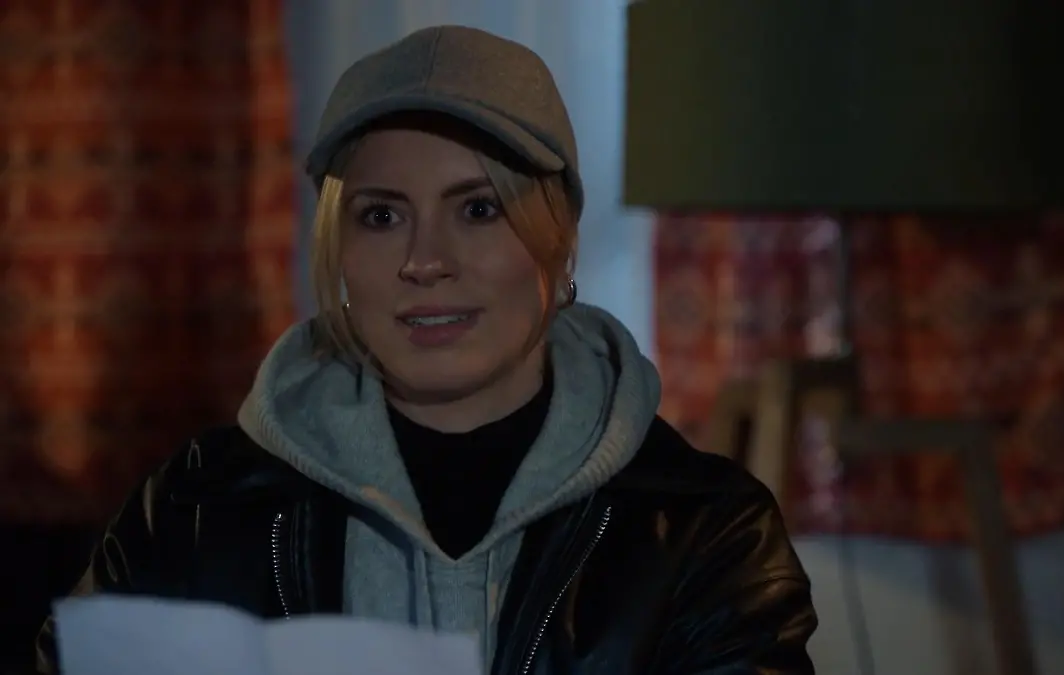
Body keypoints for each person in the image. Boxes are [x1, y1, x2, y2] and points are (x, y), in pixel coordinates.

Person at [36, 25, 817, 674]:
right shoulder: (195, 509)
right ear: (338, 250)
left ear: (558, 240)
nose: (425, 260)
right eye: (382, 216)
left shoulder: (703, 531)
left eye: (478, 209)